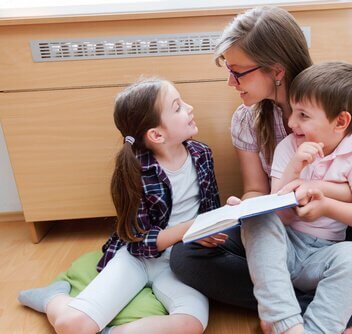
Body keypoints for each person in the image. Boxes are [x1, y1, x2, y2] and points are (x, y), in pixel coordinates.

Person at [170, 5, 352, 332]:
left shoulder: (344, 103)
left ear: (276, 70)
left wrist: (320, 195)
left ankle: (293, 307)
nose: (230, 82)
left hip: (344, 225)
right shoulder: (246, 120)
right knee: (185, 255)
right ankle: (330, 307)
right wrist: (244, 208)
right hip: (281, 234)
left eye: (238, 71)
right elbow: (258, 191)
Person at [18, 78, 227, 334]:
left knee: (191, 324)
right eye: (178, 106)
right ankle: (52, 297)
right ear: (156, 134)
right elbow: (138, 241)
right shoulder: (135, 170)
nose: (190, 107)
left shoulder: (201, 154)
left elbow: (210, 208)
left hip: (184, 261)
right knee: (72, 325)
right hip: (137, 259)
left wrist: (214, 225)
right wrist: (189, 228)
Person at [245, 61, 352, 334]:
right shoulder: (290, 147)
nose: (291, 122)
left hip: (323, 255)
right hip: (283, 248)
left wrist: (326, 206)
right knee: (257, 221)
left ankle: (315, 327)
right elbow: (276, 209)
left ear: (341, 121)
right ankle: (286, 322)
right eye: (292, 111)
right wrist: (295, 168)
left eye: (303, 115)